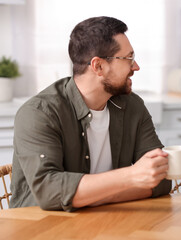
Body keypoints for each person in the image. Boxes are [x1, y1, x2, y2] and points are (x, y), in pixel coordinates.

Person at [10, 16, 171, 212]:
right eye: (128, 58)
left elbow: (161, 179)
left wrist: (88, 197)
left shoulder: (132, 106)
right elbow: (48, 191)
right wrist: (130, 177)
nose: (135, 66)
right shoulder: (39, 113)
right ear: (98, 66)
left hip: (108, 223)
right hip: (42, 227)